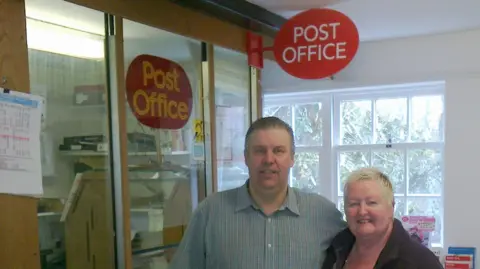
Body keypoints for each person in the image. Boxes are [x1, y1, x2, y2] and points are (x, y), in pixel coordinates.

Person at [168, 116, 346, 269]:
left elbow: (364, 250)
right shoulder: (210, 212)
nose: (269, 160)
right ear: (246, 157)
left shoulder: (323, 213)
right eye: (260, 151)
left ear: (292, 158)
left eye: (278, 151)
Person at [322, 168, 443, 269]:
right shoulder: (336, 249)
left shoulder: (420, 262)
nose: (362, 211)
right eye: (353, 204)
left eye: (372, 203)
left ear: (392, 207)